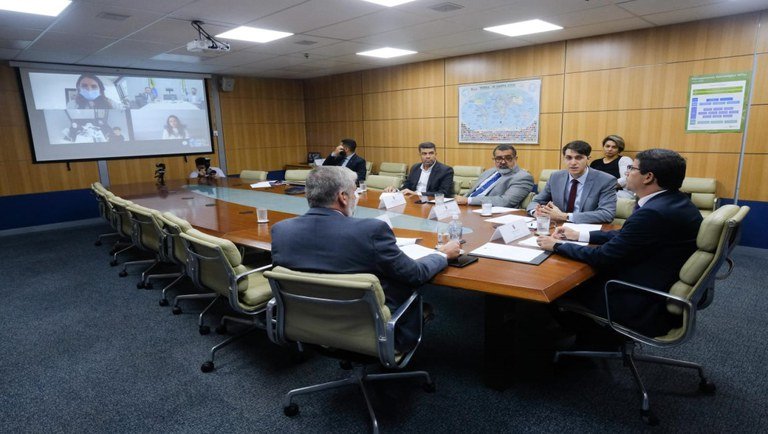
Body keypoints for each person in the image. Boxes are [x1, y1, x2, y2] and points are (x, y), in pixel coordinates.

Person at [270, 166, 460, 351]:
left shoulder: (281, 231)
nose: (356, 197)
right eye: (354, 192)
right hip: (373, 329)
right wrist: (442, 254)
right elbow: (415, 274)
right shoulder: (371, 231)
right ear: (343, 197)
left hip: (309, 324)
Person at [538, 149, 702, 337]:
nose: (626, 172)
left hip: (637, 300)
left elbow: (603, 256)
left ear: (648, 177)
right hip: (654, 283)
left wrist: (556, 245)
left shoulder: (653, 213)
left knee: (551, 288)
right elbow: (626, 235)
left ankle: (582, 340)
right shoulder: (675, 201)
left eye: (632, 168)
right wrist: (579, 235)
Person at [527, 140, 617, 223]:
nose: (573, 163)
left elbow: (607, 214)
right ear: (564, 159)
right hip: (558, 226)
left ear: (588, 159)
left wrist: (565, 216)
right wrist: (535, 212)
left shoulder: (605, 180)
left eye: (579, 158)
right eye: (569, 158)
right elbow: (536, 201)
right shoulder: (556, 177)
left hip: (585, 228)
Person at [454, 144, 534, 207]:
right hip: (466, 206)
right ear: (494, 159)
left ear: (515, 159)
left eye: (508, 158)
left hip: (490, 212)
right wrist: (460, 199)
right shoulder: (490, 171)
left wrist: (469, 200)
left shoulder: (523, 177)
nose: (503, 162)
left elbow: (505, 201)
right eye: (499, 158)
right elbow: (472, 192)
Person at [383, 141, 454, 197]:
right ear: (420, 155)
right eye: (424, 154)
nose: (428, 156)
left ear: (435, 154)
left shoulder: (446, 170)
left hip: (431, 202)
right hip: (412, 200)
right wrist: (395, 190)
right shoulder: (415, 167)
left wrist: (417, 194)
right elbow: (406, 187)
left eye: (431, 153)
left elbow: (444, 193)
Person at [590, 134, 634, 199]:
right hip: (596, 194)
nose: (610, 149)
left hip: (618, 195)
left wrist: (604, 187)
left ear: (619, 149)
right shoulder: (595, 163)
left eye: (614, 147)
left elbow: (626, 179)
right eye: (607, 146)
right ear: (603, 147)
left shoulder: (624, 160)